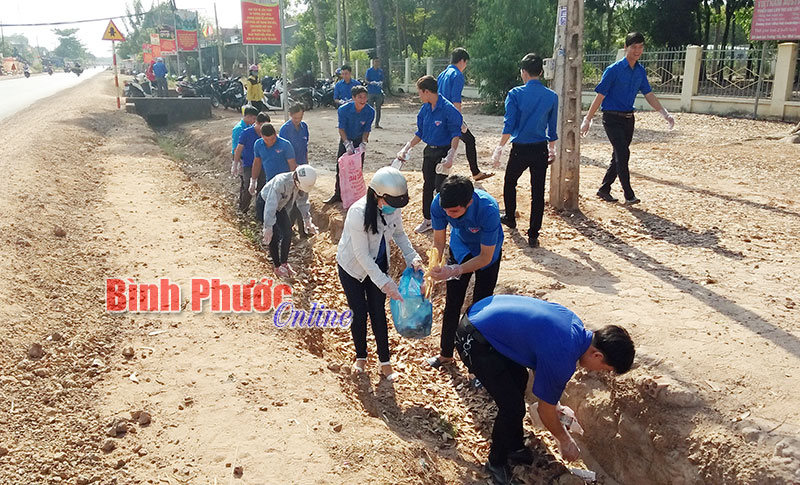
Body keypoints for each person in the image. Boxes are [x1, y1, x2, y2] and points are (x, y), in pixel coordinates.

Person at [454, 295, 635, 484]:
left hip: (481, 316)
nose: (598, 372)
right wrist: (565, 440)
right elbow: (544, 411)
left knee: (520, 379)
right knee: (512, 406)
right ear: (597, 355)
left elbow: (541, 356)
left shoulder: (574, 325)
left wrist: (553, 401)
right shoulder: (564, 358)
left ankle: (513, 446)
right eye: (605, 369)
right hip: (474, 339)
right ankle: (496, 462)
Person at [336, 167, 423, 381]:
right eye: (391, 203)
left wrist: (412, 256)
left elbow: (400, 234)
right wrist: (386, 283)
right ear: (377, 195)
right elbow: (361, 255)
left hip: (379, 260)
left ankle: (385, 363)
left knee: (378, 312)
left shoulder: (392, 207)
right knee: (359, 311)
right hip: (352, 267)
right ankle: (361, 357)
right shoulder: (358, 212)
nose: (393, 209)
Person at [582, 31, 675, 205]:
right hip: (611, 118)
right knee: (623, 153)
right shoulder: (613, 70)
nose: (637, 51)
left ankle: (604, 189)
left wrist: (664, 113)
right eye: (634, 47)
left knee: (618, 155)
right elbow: (600, 96)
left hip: (628, 118)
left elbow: (648, 94)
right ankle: (629, 194)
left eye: (640, 47)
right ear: (626, 47)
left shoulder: (640, 71)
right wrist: (587, 119)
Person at [427, 175, 503, 370]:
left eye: (454, 211)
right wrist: (435, 265)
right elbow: (438, 241)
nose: (449, 215)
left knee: (481, 307)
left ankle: (476, 364)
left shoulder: (488, 209)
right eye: (446, 211)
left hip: (487, 253)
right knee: (453, 302)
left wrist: (456, 270)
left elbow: (485, 257)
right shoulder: (439, 204)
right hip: (460, 248)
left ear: (469, 202)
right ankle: (445, 354)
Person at [491, 53, 559, 249]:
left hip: (520, 148)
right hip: (540, 149)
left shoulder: (515, 94)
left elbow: (509, 124)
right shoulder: (552, 96)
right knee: (537, 192)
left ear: (523, 72)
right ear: (541, 72)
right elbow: (552, 127)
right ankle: (533, 234)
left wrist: (500, 147)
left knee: (510, 182)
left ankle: (510, 217)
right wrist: (552, 149)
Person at [396, 75, 462, 234]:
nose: (419, 96)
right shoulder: (425, 109)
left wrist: (451, 154)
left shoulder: (448, 109)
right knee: (428, 185)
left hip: (443, 152)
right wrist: (407, 147)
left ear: (426, 91)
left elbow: (455, 133)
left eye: (419, 92)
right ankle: (428, 220)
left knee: (441, 187)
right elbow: (420, 133)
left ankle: (446, 220)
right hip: (429, 152)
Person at [437, 48, 494, 182]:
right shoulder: (457, 75)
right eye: (466, 63)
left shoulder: (442, 74)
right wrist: (459, 121)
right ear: (462, 61)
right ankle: (474, 173)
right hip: (451, 116)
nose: (465, 66)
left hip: (440, 115)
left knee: (447, 145)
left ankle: (439, 178)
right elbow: (456, 100)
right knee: (467, 140)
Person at [260, 165, 318, 277]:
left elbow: (303, 202)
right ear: (297, 180)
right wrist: (268, 226)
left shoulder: (301, 183)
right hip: (265, 203)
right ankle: (277, 267)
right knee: (274, 235)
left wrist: (307, 220)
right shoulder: (281, 182)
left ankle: (284, 263)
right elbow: (270, 205)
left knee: (287, 232)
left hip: (280, 207)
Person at [324, 85, 375, 204]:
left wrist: (363, 143)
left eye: (365, 97)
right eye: (360, 97)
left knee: (357, 169)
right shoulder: (343, 110)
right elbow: (341, 128)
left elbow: (366, 129)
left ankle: (355, 195)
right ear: (353, 98)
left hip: (358, 140)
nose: (363, 100)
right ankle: (338, 194)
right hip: (346, 139)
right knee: (340, 167)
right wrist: (346, 143)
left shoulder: (370, 111)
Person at [279, 104, 318, 237]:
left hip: (302, 169)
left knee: (301, 199)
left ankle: (301, 229)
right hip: (291, 170)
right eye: (295, 118)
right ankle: (290, 229)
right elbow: (285, 152)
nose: (298, 120)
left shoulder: (304, 127)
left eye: (300, 117)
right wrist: (294, 169)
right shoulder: (285, 130)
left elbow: (305, 147)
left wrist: (306, 165)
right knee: (292, 200)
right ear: (290, 115)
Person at [249, 124, 298, 222]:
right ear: (261, 136)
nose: (270, 142)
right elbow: (257, 163)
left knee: (292, 208)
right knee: (273, 210)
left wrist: (295, 184)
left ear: (275, 134)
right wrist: (253, 181)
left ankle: (297, 230)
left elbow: (292, 165)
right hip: (271, 184)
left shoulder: (285, 145)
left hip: (286, 184)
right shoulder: (258, 145)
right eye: (267, 140)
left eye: (272, 139)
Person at [233, 111, 271, 213]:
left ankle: (260, 212)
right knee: (247, 186)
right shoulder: (246, 133)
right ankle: (243, 209)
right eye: (262, 126)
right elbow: (239, 149)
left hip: (263, 165)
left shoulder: (267, 134)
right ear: (257, 123)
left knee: (262, 188)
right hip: (249, 164)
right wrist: (235, 164)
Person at [232, 106, 258, 172]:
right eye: (254, 118)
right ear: (248, 116)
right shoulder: (239, 129)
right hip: (241, 157)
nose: (255, 121)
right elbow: (236, 147)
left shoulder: (250, 126)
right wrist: (237, 162)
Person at [365, 58, 385, 129]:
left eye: (378, 61)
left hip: (378, 92)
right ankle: (368, 123)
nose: (377, 63)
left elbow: (382, 79)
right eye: (375, 61)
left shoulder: (380, 71)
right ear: (373, 62)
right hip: (370, 92)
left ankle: (377, 123)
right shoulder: (369, 71)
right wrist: (370, 83)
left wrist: (380, 83)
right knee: (370, 108)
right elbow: (366, 80)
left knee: (378, 108)